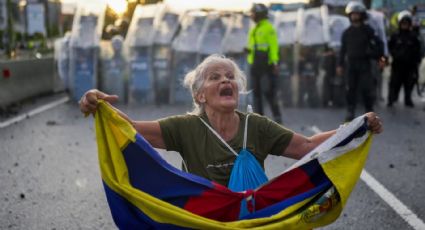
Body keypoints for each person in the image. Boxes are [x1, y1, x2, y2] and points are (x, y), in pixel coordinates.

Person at [79, 55, 383, 188]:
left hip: (251, 219)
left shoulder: (257, 125)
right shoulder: (185, 128)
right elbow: (128, 128)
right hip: (203, 219)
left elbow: (306, 146)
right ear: (199, 95)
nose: (227, 81)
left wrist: (354, 127)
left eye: (230, 77)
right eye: (215, 78)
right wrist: (96, 103)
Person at [337, 1, 384, 121]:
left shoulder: (368, 30)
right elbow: (342, 50)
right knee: (350, 88)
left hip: (365, 64)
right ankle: (350, 110)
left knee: (366, 88)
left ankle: (369, 111)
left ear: (362, 15)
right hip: (351, 64)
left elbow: (379, 44)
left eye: (357, 14)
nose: (355, 16)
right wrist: (340, 65)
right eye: (352, 14)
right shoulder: (347, 33)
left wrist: (378, 57)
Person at [246, 3, 282, 123]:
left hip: (266, 65)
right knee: (256, 92)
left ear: (260, 14)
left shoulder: (268, 28)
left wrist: (275, 62)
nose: (252, 16)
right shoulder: (255, 28)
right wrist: (248, 50)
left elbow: (273, 46)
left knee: (269, 92)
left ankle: (277, 117)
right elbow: (253, 46)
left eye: (253, 13)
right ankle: (259, 118)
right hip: (255, 64)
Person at [387, 11, 422, 108]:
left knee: (409, 84)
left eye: (406, 23)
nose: (404, 25)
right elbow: (389, 47)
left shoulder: (414, 36)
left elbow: (418, 50)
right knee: (394, 83)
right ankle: (392, 99)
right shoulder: (395, 36)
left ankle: (408, 99)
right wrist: (394, 54)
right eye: (403, 23)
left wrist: (417, 61)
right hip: (397, 65)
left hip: (410, 66)